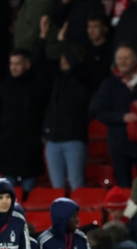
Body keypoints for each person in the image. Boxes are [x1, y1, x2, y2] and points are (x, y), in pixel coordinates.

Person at [90, 44, 137, 189]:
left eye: (127, 58)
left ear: (135, 60)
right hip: (119, 146)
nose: (123, 62)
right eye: (119, 58)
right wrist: (122, 117)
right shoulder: (109, 84)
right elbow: (100, 112)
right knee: (123, 188)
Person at [0, 50, 49, 194]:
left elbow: (45, 114)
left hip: (31, 150)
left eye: (17, 64)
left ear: (27, 65)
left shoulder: (39, 87)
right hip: (7, 149)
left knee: (30, 194)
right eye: (11, 64)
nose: (13, 67)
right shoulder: (2, 87)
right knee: (7, 196)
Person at [42, 41, 91, 191]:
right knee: (57, 188)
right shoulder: (56, 79)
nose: (62, 60)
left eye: (66, 57)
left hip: (74, 140)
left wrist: (66, 44)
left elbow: (81, 73)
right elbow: (41, 64)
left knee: (77, 184)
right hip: (53, 141)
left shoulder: (83, 79)